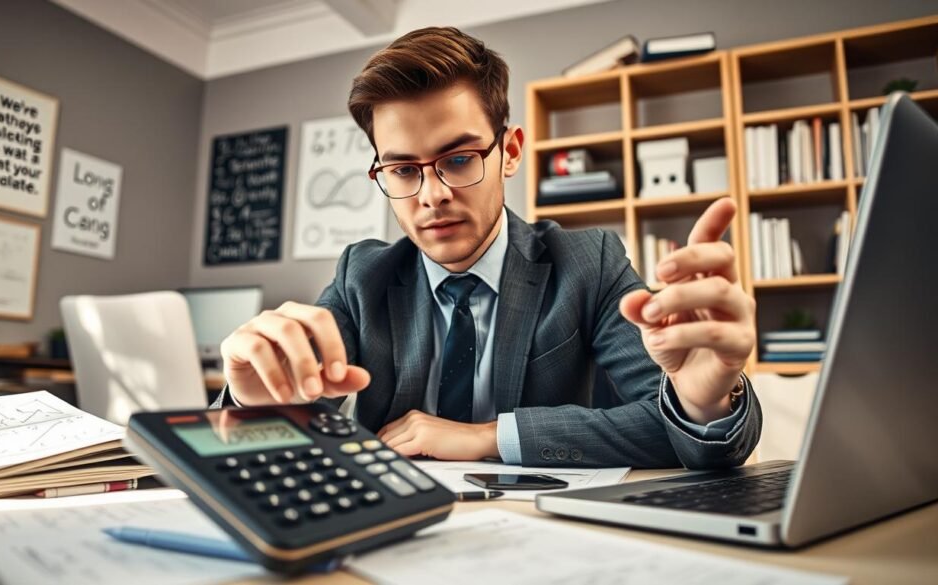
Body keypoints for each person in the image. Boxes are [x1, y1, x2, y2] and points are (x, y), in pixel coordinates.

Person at [214, 27, 761, 468]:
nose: (432, 195)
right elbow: (267, 445)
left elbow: (678, 435)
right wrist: (253, 406)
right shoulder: (364, 275)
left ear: (510, 151)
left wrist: (703, 402)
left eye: (457, 159)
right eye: (404, 169)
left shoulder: (588, 263)